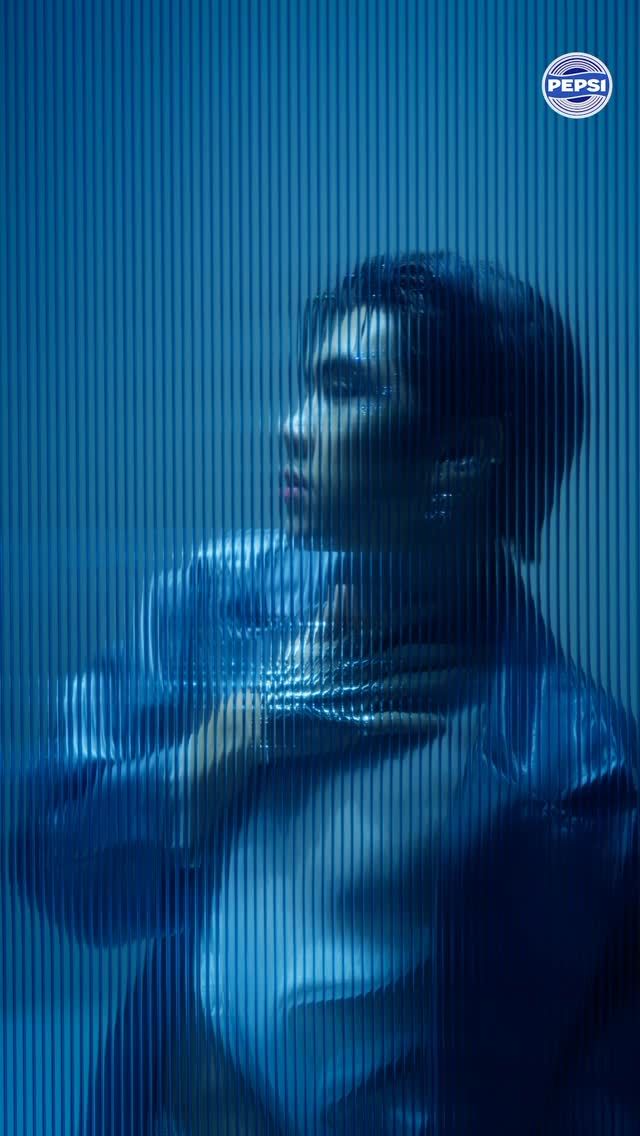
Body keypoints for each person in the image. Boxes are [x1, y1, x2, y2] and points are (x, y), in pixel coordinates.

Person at [11, 252, 639, 1135]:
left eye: (345, 391)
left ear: (464, 453)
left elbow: (599, 1099)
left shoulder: (590, 778)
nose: (292, 428)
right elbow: (42, 854)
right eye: (307, 387)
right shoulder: (213, 604)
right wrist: (229, 742)